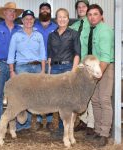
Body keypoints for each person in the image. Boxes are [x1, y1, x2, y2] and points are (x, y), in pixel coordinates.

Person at [7, 10, 46, 131]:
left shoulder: (38, 35)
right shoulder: (16, 35)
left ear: (34, 21)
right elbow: (10, 54)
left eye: (31, 19)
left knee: (36, 94)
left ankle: (33, 122)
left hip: (36, 67)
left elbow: (42, 54)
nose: (28, 21)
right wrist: (12, 71)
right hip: (22, 67)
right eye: (26, 19)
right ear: (22, 21)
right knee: (22, 95)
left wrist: (43, 70)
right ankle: (23, 123)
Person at [48, 8, 81, 138]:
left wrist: (73, 71)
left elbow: (77, 54)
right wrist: (49, 73)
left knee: (67, 101)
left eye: (64, 17)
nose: (62, 19)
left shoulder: (74, 34)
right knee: (57, 98)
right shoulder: (51, 35)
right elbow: (49, 55)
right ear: (56, 19)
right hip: (55, 69)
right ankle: (60, 128)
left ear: (68, 19)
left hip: (68, 68)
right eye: (59, 17)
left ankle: (65, 130)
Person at [0, 2, 23, 128]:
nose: (12, 13)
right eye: (9, 11)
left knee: (14, 95)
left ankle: (11, 123)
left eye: (14, 12)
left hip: (14, 66)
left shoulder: (19, 30)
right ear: (4, 13)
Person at [86, 4, 114, 147]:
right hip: (94, 68)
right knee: (95, 100)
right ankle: (97, 130)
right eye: (90, 14)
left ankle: (105, 134)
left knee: (104, 100)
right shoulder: (93, 30)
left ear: (101, 16)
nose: (92, 17)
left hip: (105, 68)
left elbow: (106, 57)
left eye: (95, 14)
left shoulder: (105, 31)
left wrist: (98, 73)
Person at [70, 0, 95, 136]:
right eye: (78, 7)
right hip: (77, 64)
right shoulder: (74, 26)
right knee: (79, 94)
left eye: (83, 6)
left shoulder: (92, 24)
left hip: (89, 63)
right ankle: (83, 120)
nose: (81, 9)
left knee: (89, 94)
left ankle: (91, 124)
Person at [34, 2, 57, 131]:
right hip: (37, 63)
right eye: (42, 9)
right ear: (39, 11)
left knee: (50, 92)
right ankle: (38, 120)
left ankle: (48, 121)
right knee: (38, 91)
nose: (44, 11)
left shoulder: (56, 26)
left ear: (50, 12)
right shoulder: (33, 25)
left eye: (47, 9)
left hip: (51, 63)